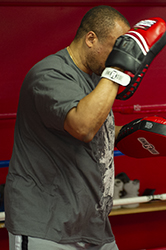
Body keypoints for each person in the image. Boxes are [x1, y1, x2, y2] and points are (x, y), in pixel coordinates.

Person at [5, 5, 131, 249]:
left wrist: (132, 132)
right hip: (46, 225)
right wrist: (116, 70)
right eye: (115, 48)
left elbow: (97, 127)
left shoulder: (96, 79)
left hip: (91, 224)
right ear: (91, 39)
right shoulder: (49, 73)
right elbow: (83, 126)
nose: (119, 57)